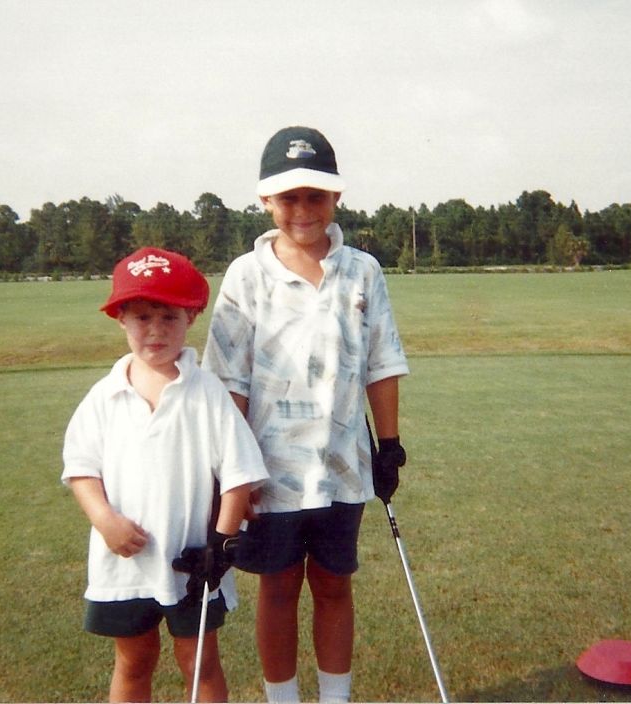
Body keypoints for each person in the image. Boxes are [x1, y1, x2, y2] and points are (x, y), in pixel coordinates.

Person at [202, 126, 410, 703]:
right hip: (269, 473)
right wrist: (230, 472)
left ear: (336, 198)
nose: (303, 210)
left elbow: (381, 362)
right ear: (266, 200)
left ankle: (335, 699)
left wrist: (388, 446)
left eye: (316, 196)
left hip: (343, 466)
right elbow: (230, 383)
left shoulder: (363, 271)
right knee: (277, 590)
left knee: (334, 586)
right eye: (289, 197)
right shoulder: (246, 276)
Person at [62, 247, 269, 703]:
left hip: (193, 563)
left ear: (191, 318)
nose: (155, 330)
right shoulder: (104, 396)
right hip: (125, 562)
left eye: (168, 317)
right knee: (134, 663)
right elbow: (81, 469)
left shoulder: (208, 393)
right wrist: (105, 521)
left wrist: (220, 544)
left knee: (199, 663)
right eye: (141, 317)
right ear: (120, 318)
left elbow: (238, 477)